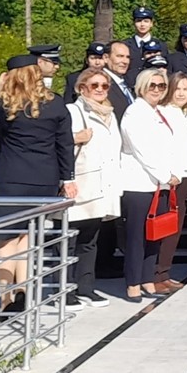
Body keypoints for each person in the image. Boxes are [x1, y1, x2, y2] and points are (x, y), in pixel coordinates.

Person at [0, 55, 76, 318]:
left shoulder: (9, 105)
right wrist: (68, 178)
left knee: (6, 239)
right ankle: (23, 288)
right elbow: (64, 144)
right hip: (43, 179)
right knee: (26, 236)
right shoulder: (55, 105)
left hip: (11, 178)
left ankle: (6, 297)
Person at [119, 68, 182, 302]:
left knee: (155, 234)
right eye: (152, 85)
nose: (157, 90)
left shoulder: (158, 112)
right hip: (139, 183)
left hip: (160, 183)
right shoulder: (135, 113)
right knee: (137, 236)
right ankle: (133, 282)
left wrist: (173, 174)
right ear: (142, 87)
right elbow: (143, 150)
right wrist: (166, 175)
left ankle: (147, 278)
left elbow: (168, 147)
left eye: (161, 86)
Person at [63, 68, 123, 308]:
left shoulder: (110, 113)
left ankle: (86, 288)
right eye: (94, 85)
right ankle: (65, 290)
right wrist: (75, 137)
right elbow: (59, 142)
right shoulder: (72, 110)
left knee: (90, 240)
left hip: (103, 183)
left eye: (104, 86)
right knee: (69, 240)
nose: (99, 90)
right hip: (80, 183)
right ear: (81, 88)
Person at [155, 73, 187, 294]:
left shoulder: (185, 114)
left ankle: (165, 272)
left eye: (186, 89)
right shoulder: (163, 113)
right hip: (170, 177)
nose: (181, 93)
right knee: (166, 225)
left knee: (176, 226)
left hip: (185, 175)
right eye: (178, 88)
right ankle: (157, 273)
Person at [104, 42, 135, 121]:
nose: (125, 61)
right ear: (106, 58)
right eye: (120, 56)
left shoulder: (128, 83)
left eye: (127, 57)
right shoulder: (100, 83)